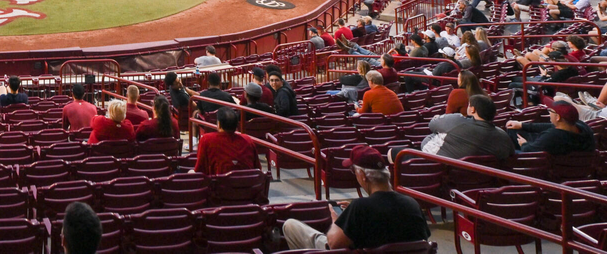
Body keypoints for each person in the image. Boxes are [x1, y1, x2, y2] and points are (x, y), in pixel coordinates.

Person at [281, 145, 429, 250]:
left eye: (354, 171)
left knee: (290, 225)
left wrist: (338, 220)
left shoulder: (360, 208)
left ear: (363, 176)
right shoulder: (412, 204)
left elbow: (333, 244)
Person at [389, 94, 513, 162]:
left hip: (438, 167)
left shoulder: (457, 121)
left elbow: (432, 124)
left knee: (393, 152)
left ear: (473, 109)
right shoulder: (503, 136)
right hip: (477, 178)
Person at [507, 101, 595, 154]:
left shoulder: (553, 136)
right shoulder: (584, 127)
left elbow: (528, 150)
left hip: (554, 169)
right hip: (578, 165)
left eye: (550, 111)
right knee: (516, 130)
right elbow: (550, 126)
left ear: (558, 117)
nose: (549, 113)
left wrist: (524, 144)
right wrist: (522, 125)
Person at [195, 107, 256, 176]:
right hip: (247, 185)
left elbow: (199, 169)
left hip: (217, 185)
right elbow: (256, 168)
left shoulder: (206, 139)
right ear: (237, 125)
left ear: (219, 124)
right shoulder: (248, 140)